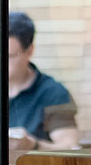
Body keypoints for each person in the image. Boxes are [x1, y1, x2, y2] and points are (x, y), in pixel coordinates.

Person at [6, 11, 80, 150]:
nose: (0, 63)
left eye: (10, 56)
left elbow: (70, 147)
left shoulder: (53, 93)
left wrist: (33, 145)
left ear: (29, 51)